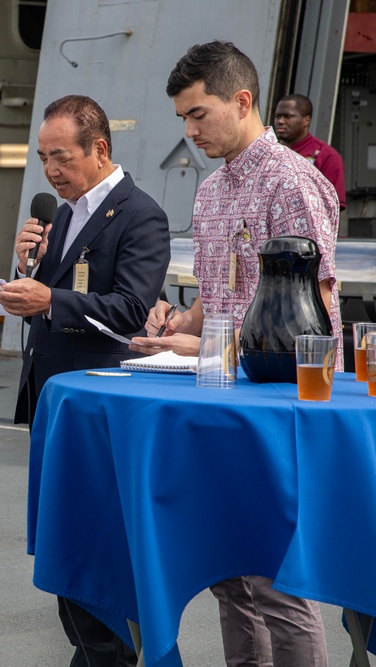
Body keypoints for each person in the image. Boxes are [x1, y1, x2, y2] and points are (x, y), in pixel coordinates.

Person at [132, 41, 339, 667]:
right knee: (229, 575)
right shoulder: (214, 192)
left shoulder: (292, 184)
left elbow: (315, 320)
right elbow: (220, 294)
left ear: (241, 101)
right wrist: (174, 321)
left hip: (273, 405)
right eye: (183, 120)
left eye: (198, 114)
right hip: (218, 394)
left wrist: (210, 342)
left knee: (275, 581)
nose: (190, 131)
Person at [0, 94, 170, 666]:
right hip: (55, 396)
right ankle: (91, 652)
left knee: (94, 543)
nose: (51, 171)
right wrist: (28, 273)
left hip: (100, 400)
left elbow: (129, 310)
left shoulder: (140, 213)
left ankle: (108, 653)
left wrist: (51, 297)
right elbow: (59, 293)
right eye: (43, 157)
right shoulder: (63, 212)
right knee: (62, 541)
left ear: (99, 148)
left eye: (61, 157)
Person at [274, 93, 346, 210]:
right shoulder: (270, 154)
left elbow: (333, 207)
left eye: (288, 116)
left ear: (306, 120)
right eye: (278, 116)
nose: (280, 121)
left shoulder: (327, 156)